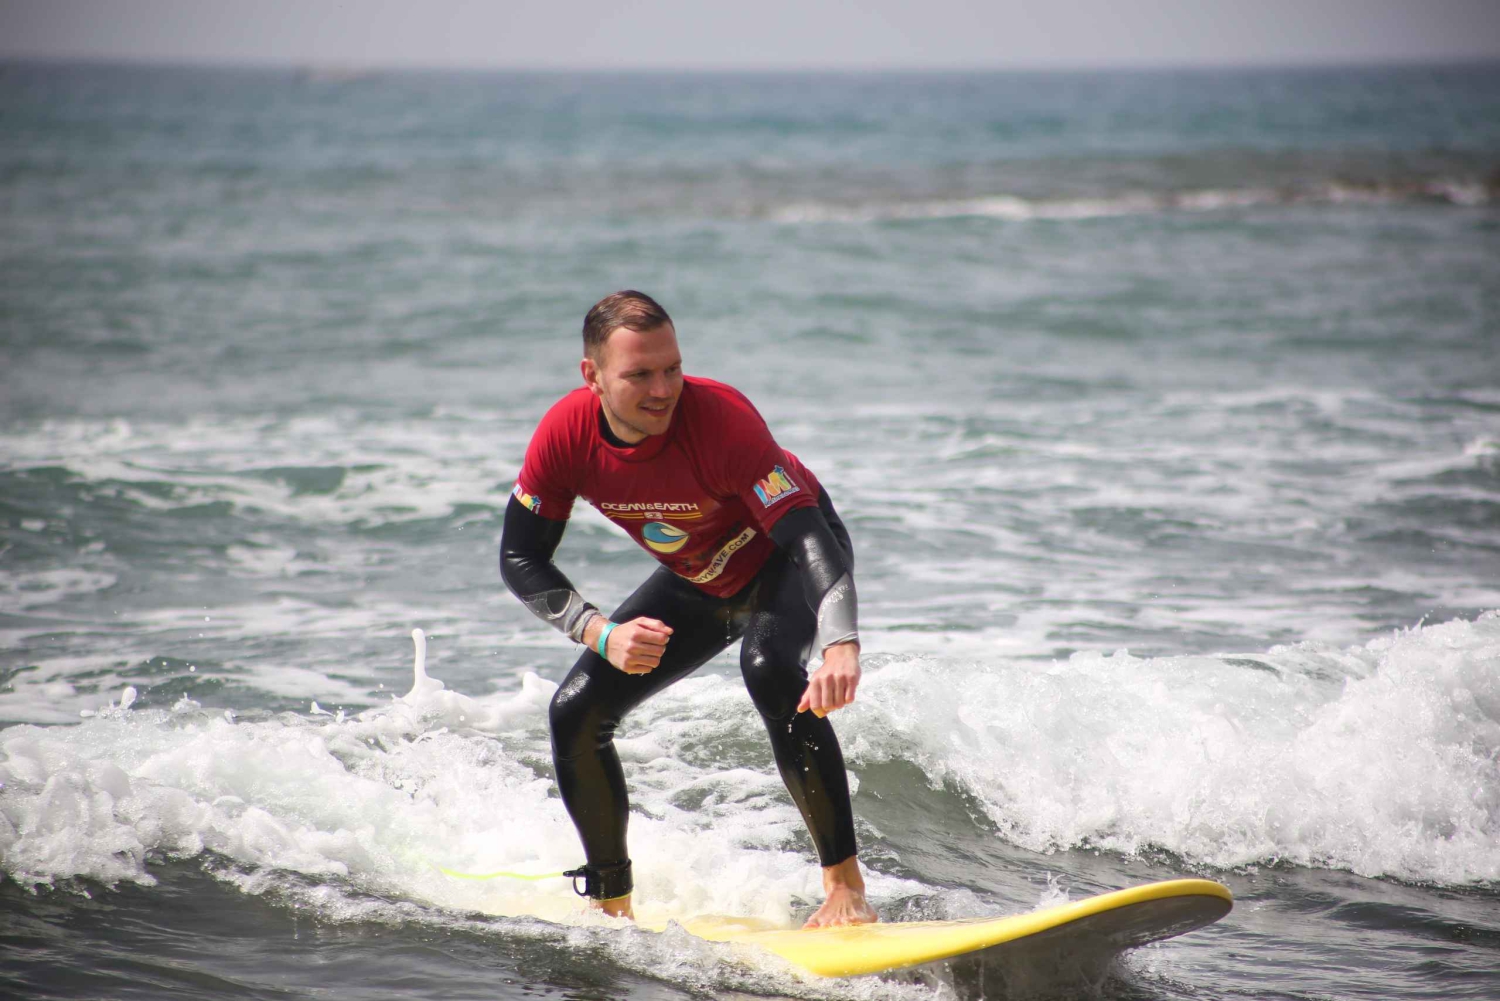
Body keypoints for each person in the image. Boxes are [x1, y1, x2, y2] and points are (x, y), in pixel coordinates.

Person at [500, 290, 877, 928]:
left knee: (769, 668)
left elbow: (809, 539)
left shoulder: (722, 420)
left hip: (785, 559)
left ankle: (845, 886)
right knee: (575, 714)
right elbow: (521, 557)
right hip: (701, 574)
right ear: (591, 375)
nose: (663, 389)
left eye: (671, 368)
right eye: (639, 374)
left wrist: (841, 643)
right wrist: (598, 631)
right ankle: (611, 903)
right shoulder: (565, 437)